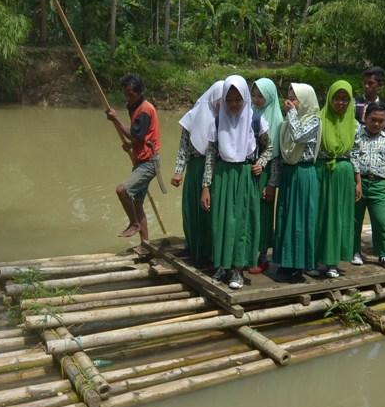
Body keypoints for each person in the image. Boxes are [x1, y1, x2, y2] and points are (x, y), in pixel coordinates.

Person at [200, 75, 269, 290]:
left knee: (241, 224)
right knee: (221, 222)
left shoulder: (256, 121)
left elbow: (270, 148)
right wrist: (206, 186)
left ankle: (238, 270)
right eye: (229, 100)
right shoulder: (218, 121)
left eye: (238, 100)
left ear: (245, 99)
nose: (233, 104)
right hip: (223, 176)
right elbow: (211, 156)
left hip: (245, 177)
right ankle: (222, 265)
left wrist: (262, 162)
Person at [272, 83, 322, 282]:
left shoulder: (314, 121)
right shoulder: (288, 121)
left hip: (303, 174)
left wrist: (292, 114)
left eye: (294, 99)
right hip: (289, 173)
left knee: (300, 219)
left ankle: (299, 265)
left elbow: (298, 135)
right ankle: (285, 261)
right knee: (285, 217)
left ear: (305, 101)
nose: (289, 103)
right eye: (289, 98)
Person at [106, 74, 161, 246]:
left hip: (149, 162)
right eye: (126, 94)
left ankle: (134, 223)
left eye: (130, 94)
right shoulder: (134, 106)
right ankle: (146, 245)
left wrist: (116, 120)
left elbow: (136, 136)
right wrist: (131, 146)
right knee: (137, 203)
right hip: (141, 161)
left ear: (139, 93)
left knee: (122, 191)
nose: (127, 98)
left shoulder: (145, 110)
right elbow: (138, 134)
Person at [173, 80, 223, 266]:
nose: (221, 104)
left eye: (224, 100)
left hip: (215, 170)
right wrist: (178, 171)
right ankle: (193, 245)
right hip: (194, 168)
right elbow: (183, 148)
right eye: (219, 100)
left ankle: (209, 251)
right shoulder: (192, 117)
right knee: (190, 209)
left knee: (209, 212)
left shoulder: (226, 120)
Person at [315, 80, 358, 278]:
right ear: (330, 98)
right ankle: (316, 259)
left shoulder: (355, 124)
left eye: (345, 99)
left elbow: (357, 154)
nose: (340, 103)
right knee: (321, 216)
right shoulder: (319, 120)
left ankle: (333, 262)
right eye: (337, 98)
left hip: (344, 174)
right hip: (322, 172)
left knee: (339, 218)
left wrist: (358, 182)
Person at [350, 102, 385, 270]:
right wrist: (356, 183)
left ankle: (383, 255)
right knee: (355, 220)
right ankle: (355, 252)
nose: (377, 124)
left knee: (380, 221)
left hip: (379, 184)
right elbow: (353, 159)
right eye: (373, 120)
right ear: (365, 118)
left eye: (381, 120)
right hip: (359, 183)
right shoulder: (356, 136)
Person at [248, 78, 284, 275]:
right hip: (252, 172)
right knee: (249, 213)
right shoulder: (251, 114)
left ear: (270, 96)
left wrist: (271, 185)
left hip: (267, 172)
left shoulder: (277, 120)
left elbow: (276, 158)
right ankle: (247, 254)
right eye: (253, 95)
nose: (256, 99)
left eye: (260, 95)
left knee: (262, 215)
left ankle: (262, 256)